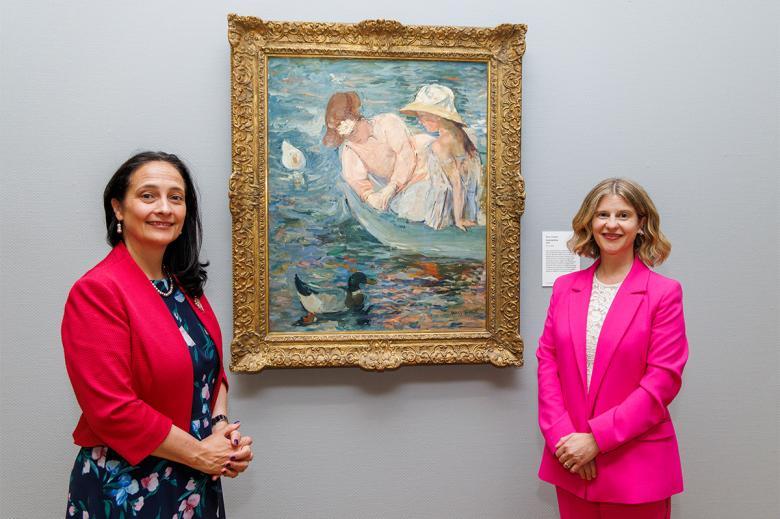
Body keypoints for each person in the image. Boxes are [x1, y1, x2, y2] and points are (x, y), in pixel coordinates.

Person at [62, 152, 253, 518]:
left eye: (176, 197)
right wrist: (203, 453)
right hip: (128, 488)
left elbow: (210, 373)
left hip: (195, 481)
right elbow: (112, 410)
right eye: (148, 195)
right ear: (118, 208)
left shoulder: (184, 287)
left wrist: (222, 433)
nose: (164, 208)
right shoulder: (98, 291)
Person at [537, 178, 688, 518]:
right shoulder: (565, 288)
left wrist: (596, 440)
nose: (611, 224)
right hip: (573, 462)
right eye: (602, 214)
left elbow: (661, 383)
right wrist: (566, 441)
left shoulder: (663, 293)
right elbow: (548, 363)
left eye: (623, 215)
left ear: (641, 224)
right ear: (589, 222)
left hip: (635, 466)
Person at [400, 84, 483, 230]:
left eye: (422, 116)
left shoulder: (439, 145)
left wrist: (459, 219)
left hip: (445, 204)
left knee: (406, 200)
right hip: (469, 199)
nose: (420, 121)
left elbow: (457, 183)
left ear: (437, 116)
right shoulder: (464, 134)